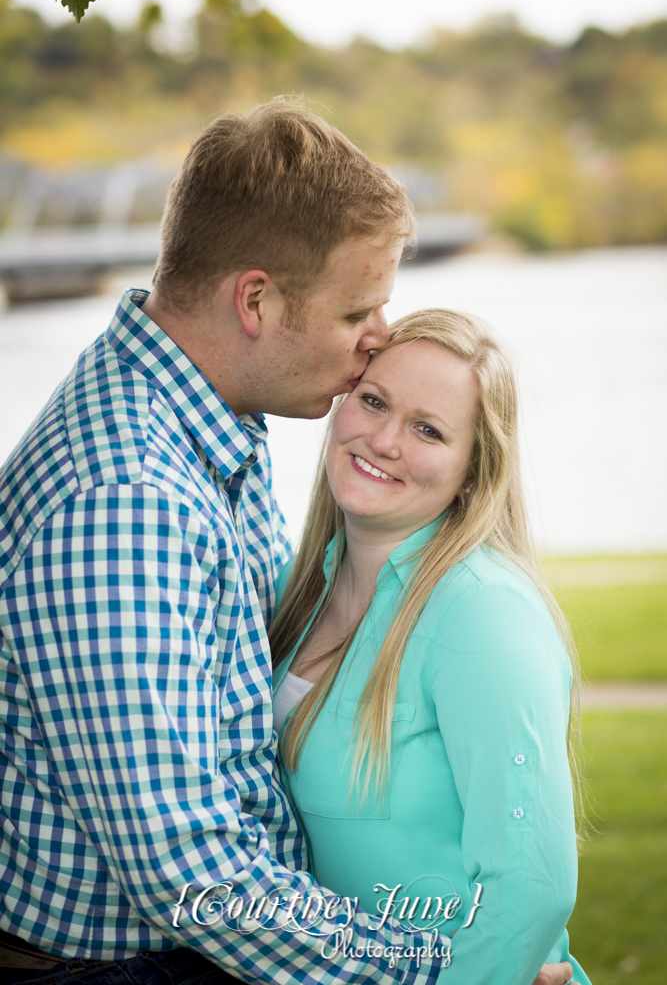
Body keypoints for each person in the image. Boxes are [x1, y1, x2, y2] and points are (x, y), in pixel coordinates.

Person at [0, 97, 577, 985]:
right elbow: (186, 868)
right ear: (257, 301)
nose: (377, 340)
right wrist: (431, 974)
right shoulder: (127, 499)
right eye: (358, 312)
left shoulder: (210, 429)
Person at [271, 308, 592, 985]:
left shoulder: (481, 613)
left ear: (473, 469)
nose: (382, 439)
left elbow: (527, 886)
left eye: (427, 429)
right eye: (373, 401)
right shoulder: (299, 589)